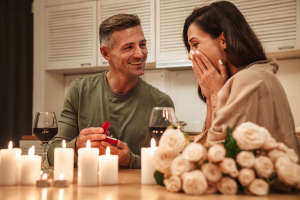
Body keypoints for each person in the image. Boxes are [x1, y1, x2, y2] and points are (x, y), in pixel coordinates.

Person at [48, 14, 174, 169]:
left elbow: (172, 163)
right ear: (105, 53)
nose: (140, 54)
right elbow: (52, 155)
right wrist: (76, 146)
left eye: (142, 44)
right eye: (129, 47)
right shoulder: (79, 91)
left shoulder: (161, 103)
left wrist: (131, 161)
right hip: (88, 189)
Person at [183, 1, 300, 156]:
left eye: (195, 44)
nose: (190, 56)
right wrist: (212, 98)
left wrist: (216, 95)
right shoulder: (251, 76)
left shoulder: (249, 80)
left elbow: (216, 156)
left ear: (223, 40)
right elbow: (205, 150)